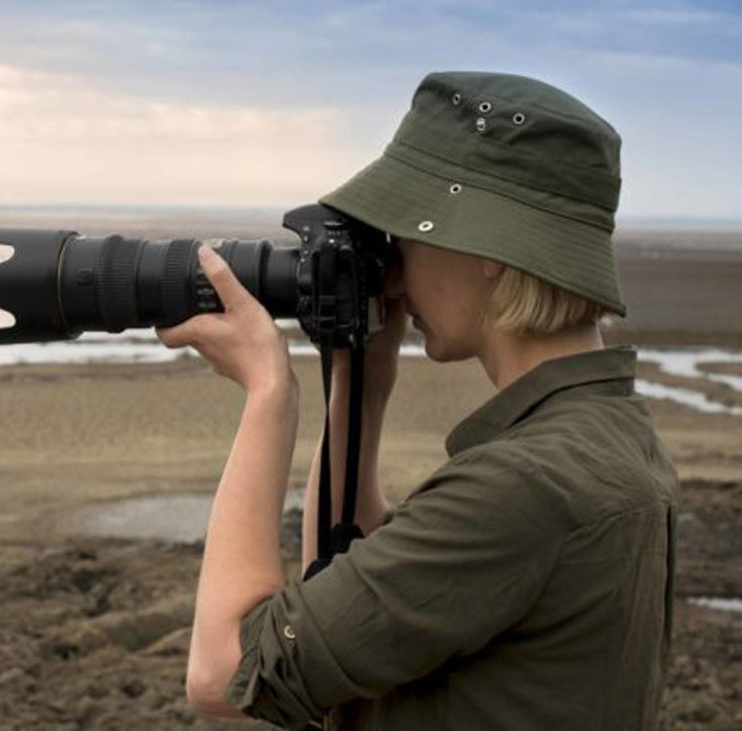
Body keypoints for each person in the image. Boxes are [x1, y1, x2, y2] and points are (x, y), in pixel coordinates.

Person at [154, 71, 679, 729]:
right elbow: (348, 584)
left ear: (488, 247)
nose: (392, 270)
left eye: (405, 231)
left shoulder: (528, 482)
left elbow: (224, 669)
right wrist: (360, 390)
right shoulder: (605, 435)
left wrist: (268, 393)